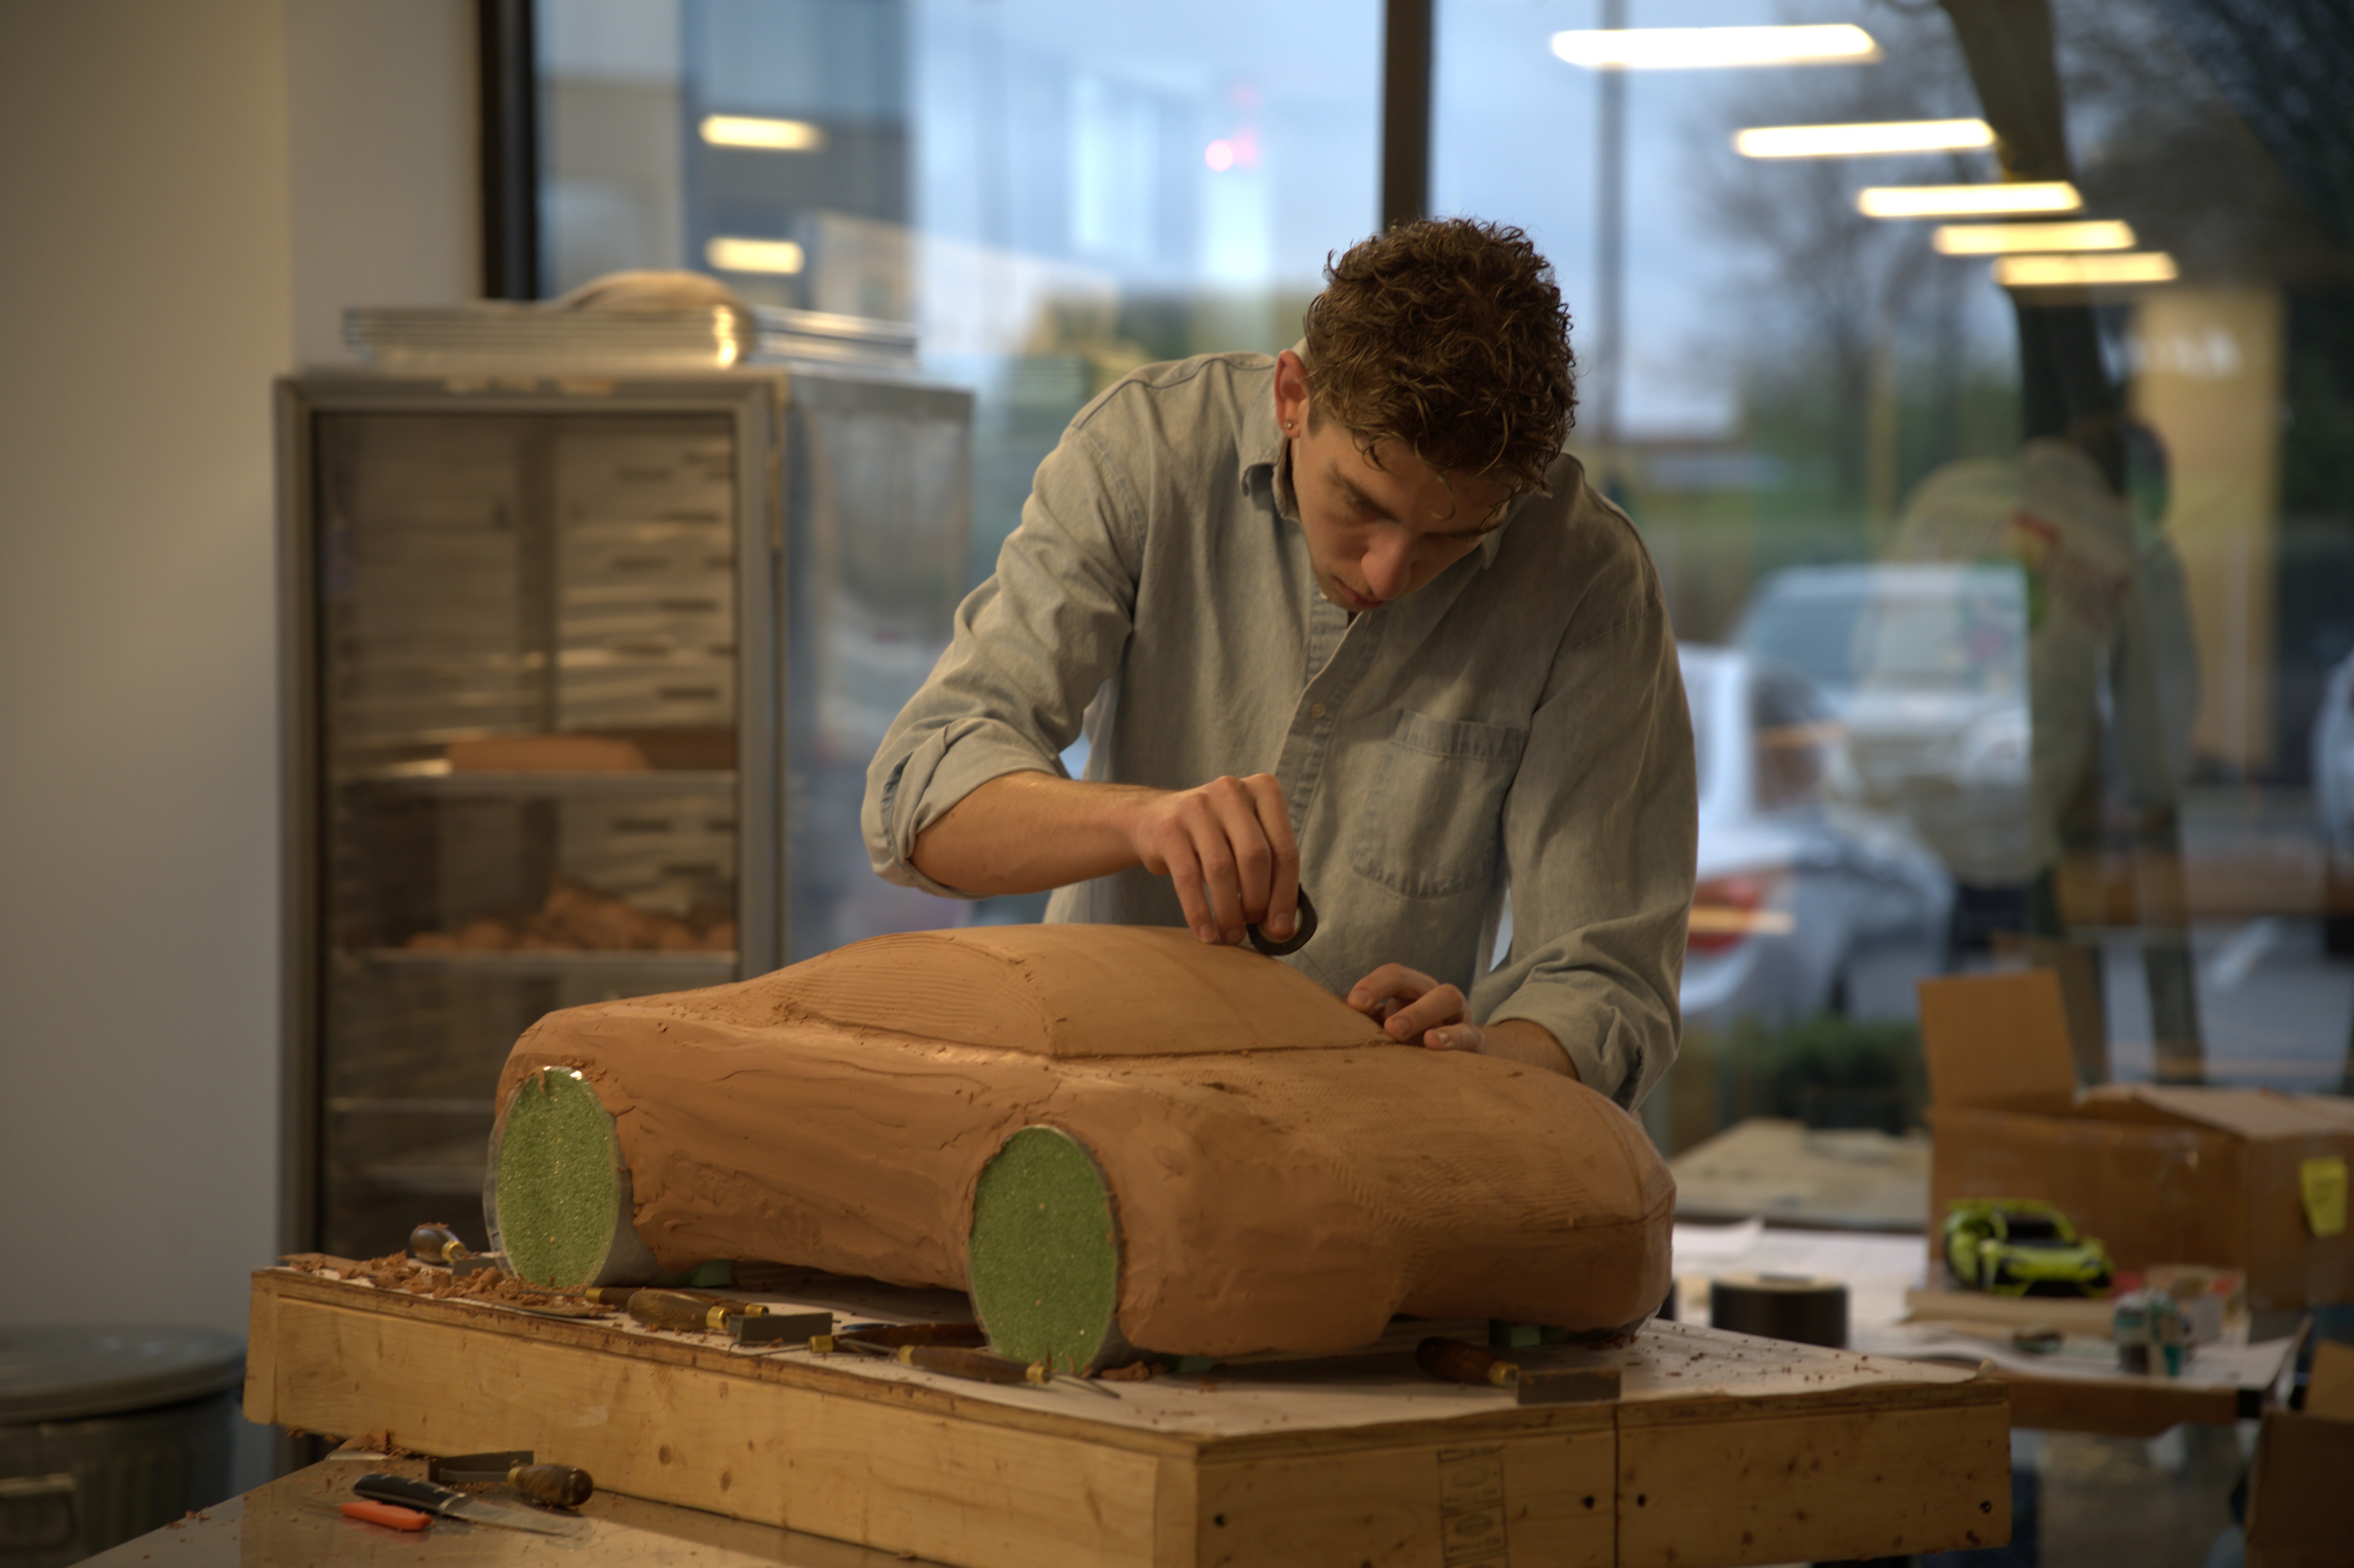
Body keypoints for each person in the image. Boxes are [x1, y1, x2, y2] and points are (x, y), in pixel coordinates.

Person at [862, 219, 1694, 1108]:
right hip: (1094, 1124)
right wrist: (1141, 824)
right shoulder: (1144, 456)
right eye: (1362, 504)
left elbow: (1608, 979)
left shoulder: (1585, 579)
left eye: (1456, 537)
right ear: (1292, 396)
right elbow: (920, 798)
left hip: (1385, 1156)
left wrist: (1491, 1052)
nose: (1388, 573)